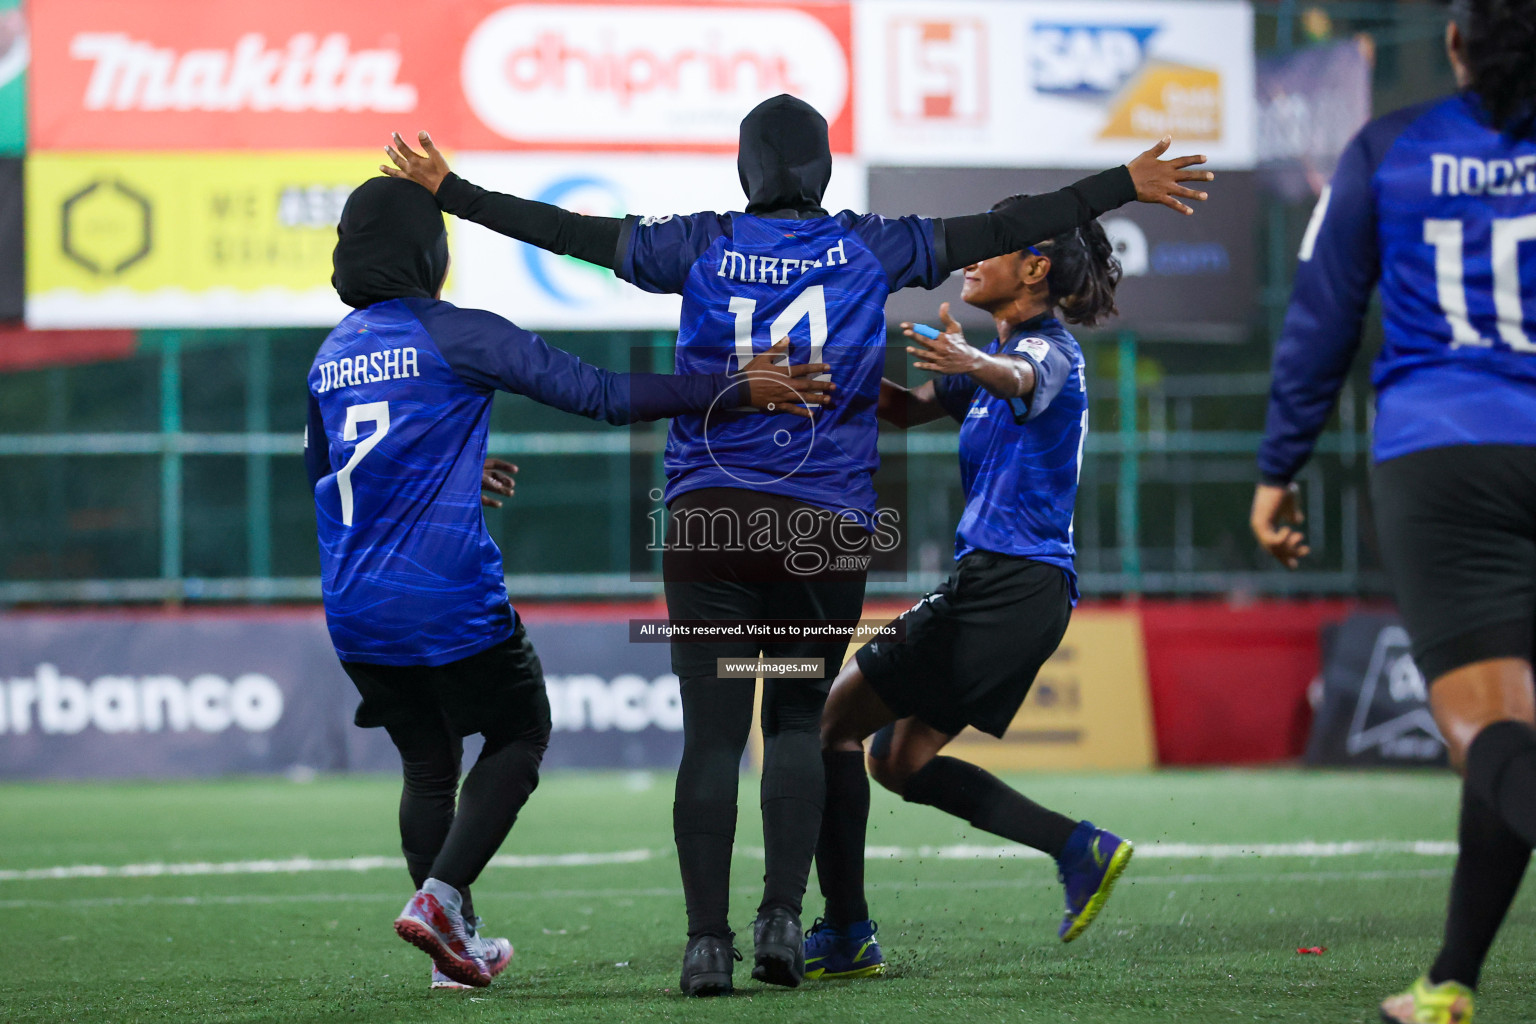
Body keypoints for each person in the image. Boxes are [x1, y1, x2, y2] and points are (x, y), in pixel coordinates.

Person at [382, 95, 1211, 995]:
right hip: (825, 526)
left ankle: (708, 947)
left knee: (711, 739)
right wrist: (1119, 185)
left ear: (747, 169)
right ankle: (784, 925)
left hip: (710, 517)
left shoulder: (695, 243)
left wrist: (452, 190)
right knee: (793, 720)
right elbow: (1010, 224)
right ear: (820, 169)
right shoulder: (873, 245)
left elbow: (571, 232)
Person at [307, 175, 831, 991]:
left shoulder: (330, 356)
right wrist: (733, 388)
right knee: (521, 733)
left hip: (354, 607)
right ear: (427, 251)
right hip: (445, 598)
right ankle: (442, 900)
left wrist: (445, 472)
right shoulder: (459, 333)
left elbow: (332, 470)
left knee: (427, 769)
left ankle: (455, 948)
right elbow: (602, 395)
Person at [1249, 1, 1536, 1020]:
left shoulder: (1391, 147)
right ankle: (1452, 979)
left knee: (1490, 729)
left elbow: (1323, 314)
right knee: (1516, 736)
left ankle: (1454, 979)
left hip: (1444, 460)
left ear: (1457, 45)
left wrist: (1278, 467)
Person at [805, 214, 1133, 980]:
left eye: (994, 246)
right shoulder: (986, 363)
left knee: (831, 724)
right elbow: (904, 408)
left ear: (1034, 270)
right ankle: (1076, 847)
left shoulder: (1049, 353)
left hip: (1009, 586)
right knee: (899, 758)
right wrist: (826, 370)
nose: (969, 259)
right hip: (1011, 588)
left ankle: (847, 933)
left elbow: (1022, 380)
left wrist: (972, 363)